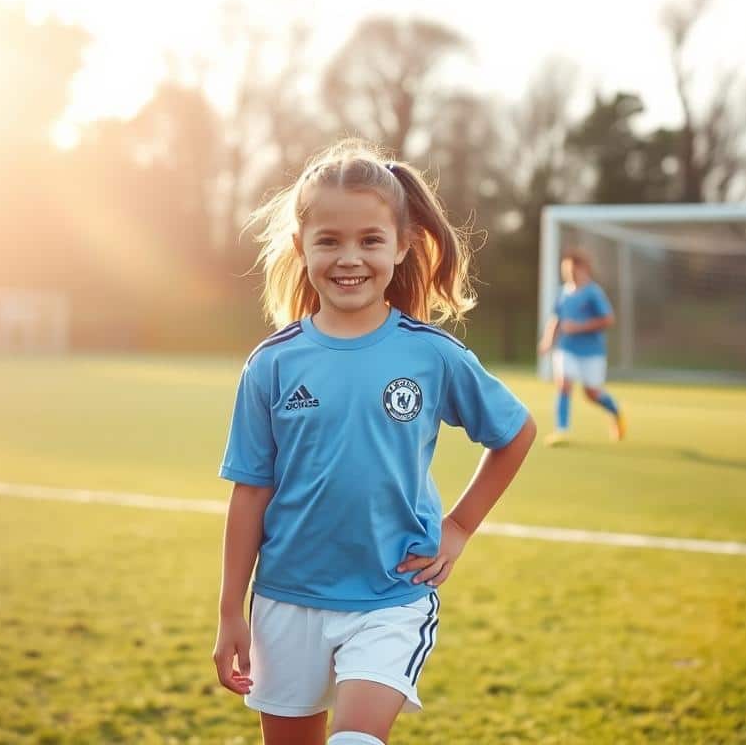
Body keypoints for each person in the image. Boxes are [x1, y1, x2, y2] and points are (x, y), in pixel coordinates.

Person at [213, 139, 537, 745]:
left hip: (390, 595)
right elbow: (250, 494)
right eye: (329, 240)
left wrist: (460, 526)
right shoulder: (273, 365)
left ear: (402, 244)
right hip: (286, 597)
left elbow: (515, 431)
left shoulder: (430, 354)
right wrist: (232, 609)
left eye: (369, 240)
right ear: (299, 247)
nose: (349, 258)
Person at [537, 251, 626, 446]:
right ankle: (561, 431)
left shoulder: (593, 292)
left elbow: (608, 319)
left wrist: (578, 327)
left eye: (572, 269)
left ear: (583, 269)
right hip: (566, 348)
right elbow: (556, 319)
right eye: (565, 269)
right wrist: (547, 340)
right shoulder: (563, 292)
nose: (568, 273)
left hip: (592, 352)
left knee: (592, 393)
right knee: (564, 384)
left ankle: (615, 411)